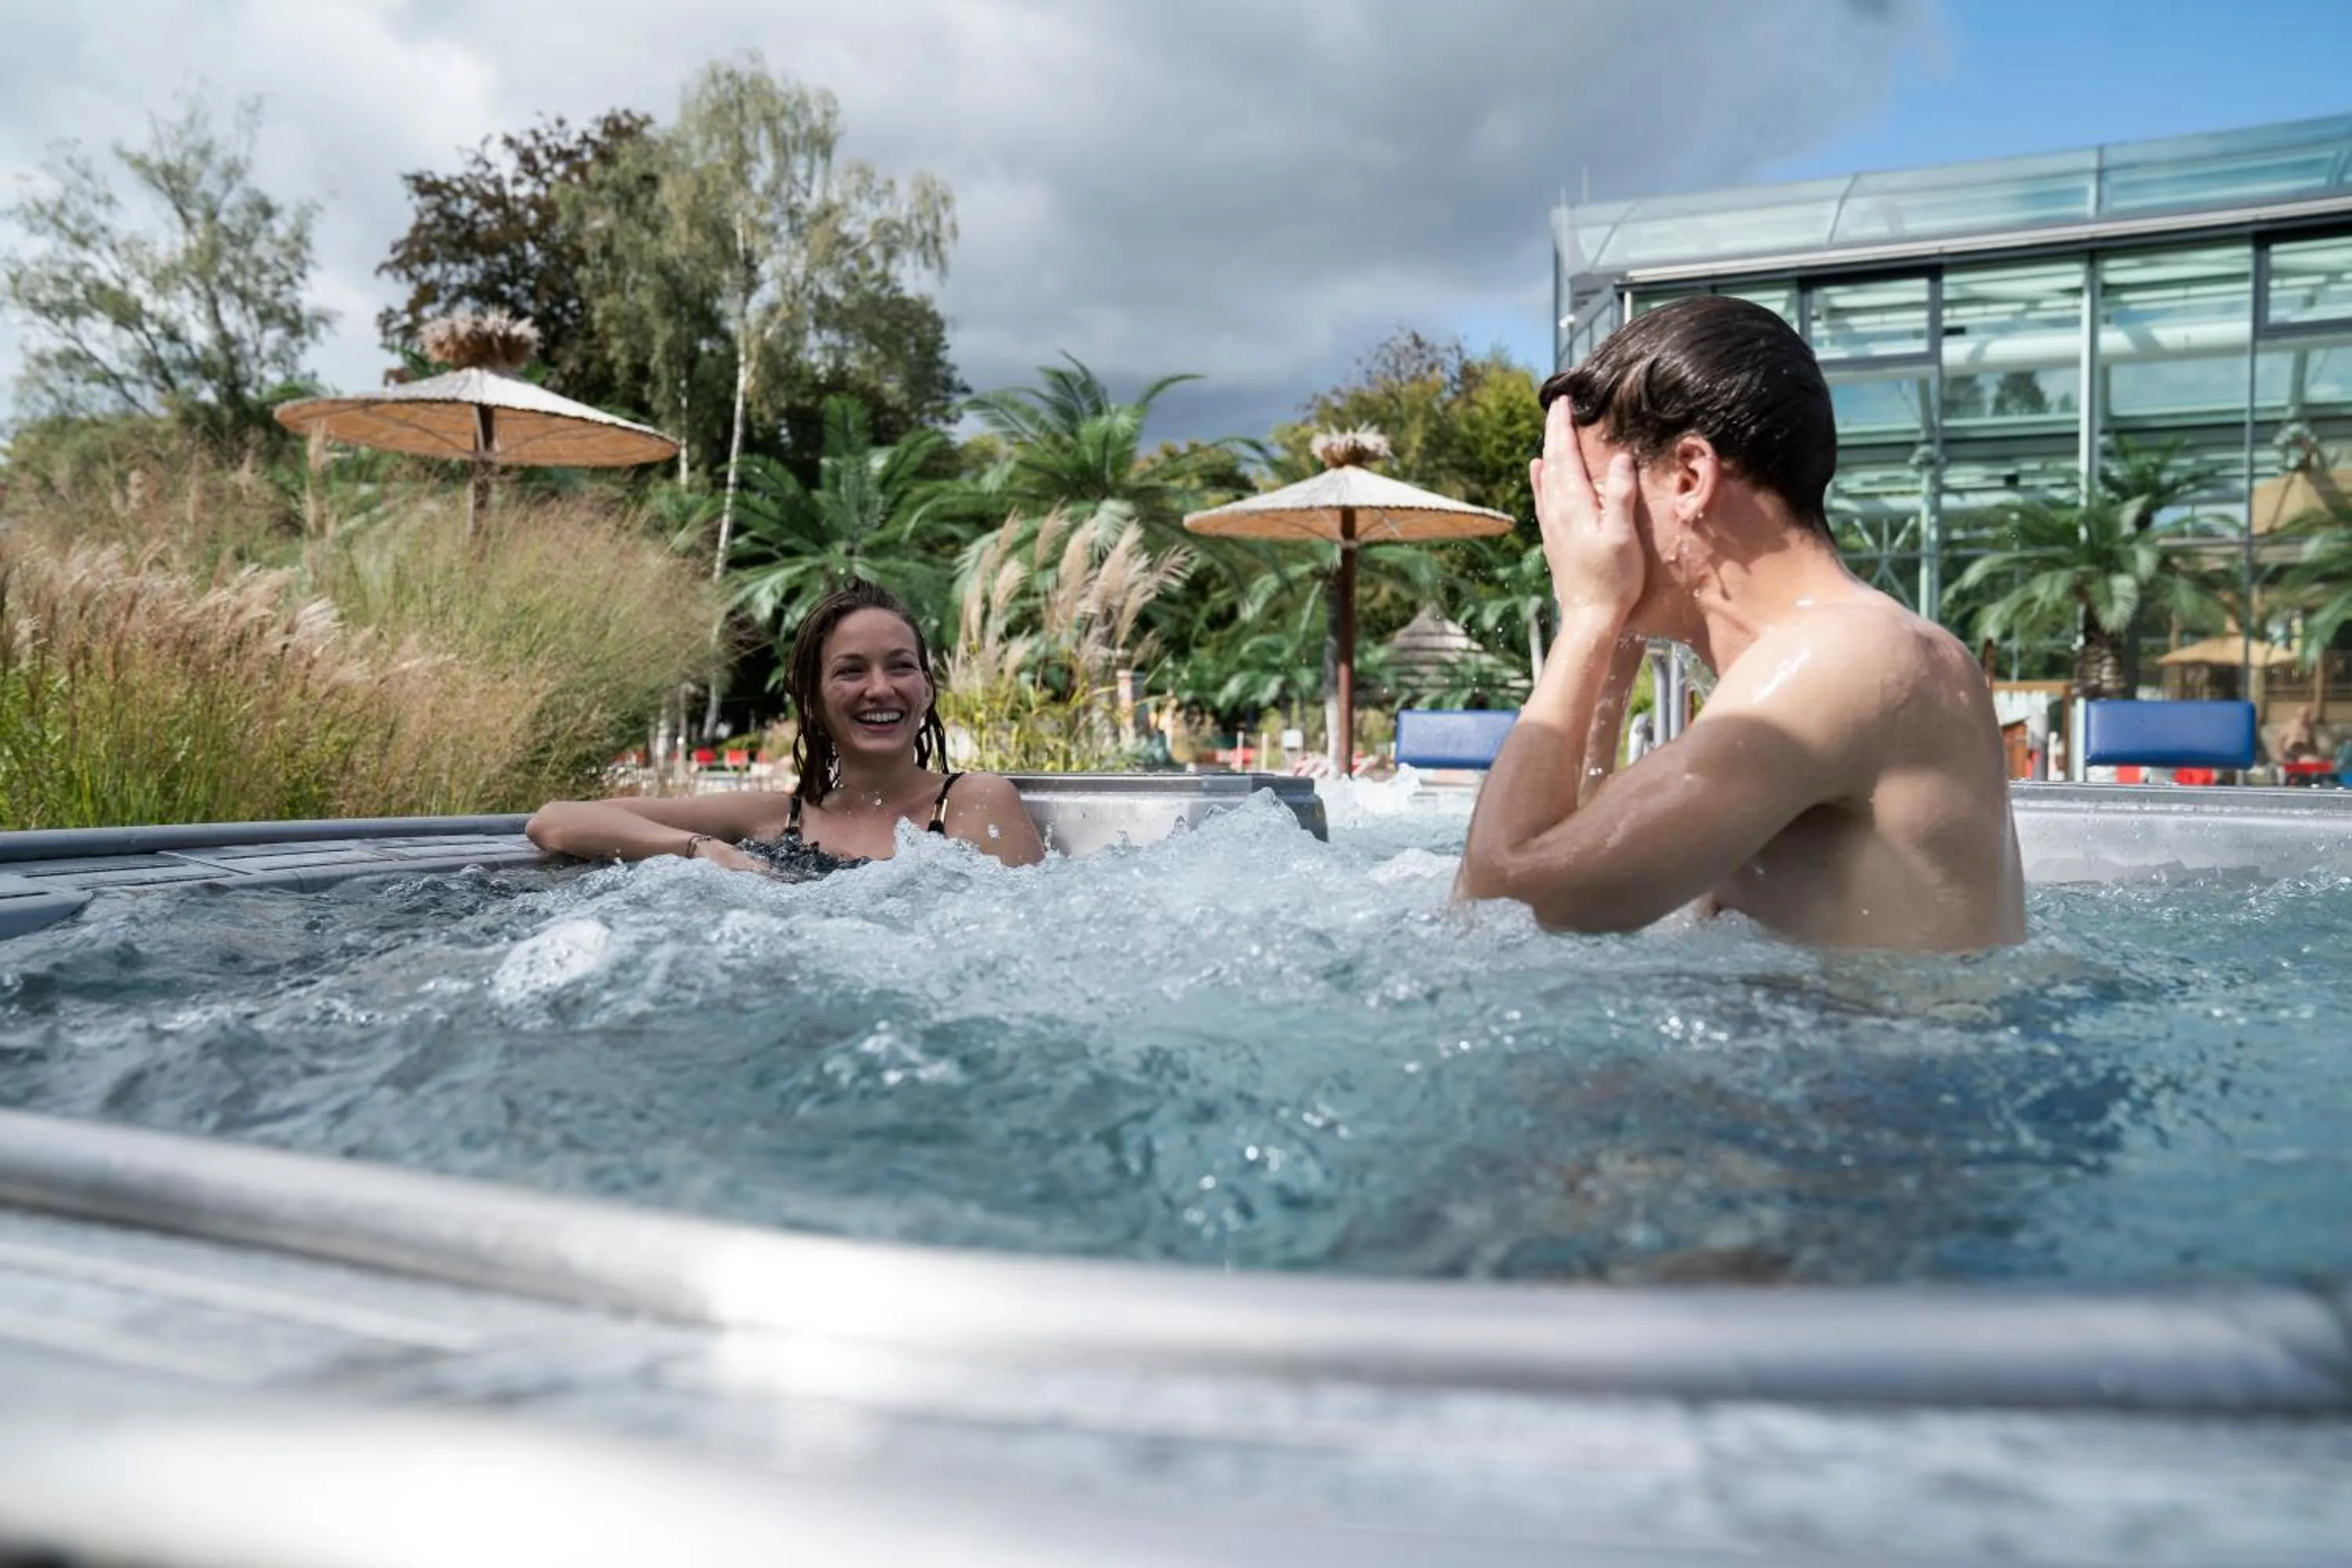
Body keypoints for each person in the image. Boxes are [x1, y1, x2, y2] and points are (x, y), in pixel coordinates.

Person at [1456, 296, 2024, 952]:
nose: (1571, 527)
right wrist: (1610, 643)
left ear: (1691, 477)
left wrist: (1590, 611)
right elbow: (1572, 860)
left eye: (1589, 489)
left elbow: (1497, 905)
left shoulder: (1845, 659)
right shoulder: (1820, 657)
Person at [527, 581, 1045, 876]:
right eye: (850, 670)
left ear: (927, 690)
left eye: (901, 666)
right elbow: (555, 820)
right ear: (813, 701)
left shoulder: (974, 802)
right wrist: (701, 849)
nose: (880, 687)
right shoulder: (778, 817)